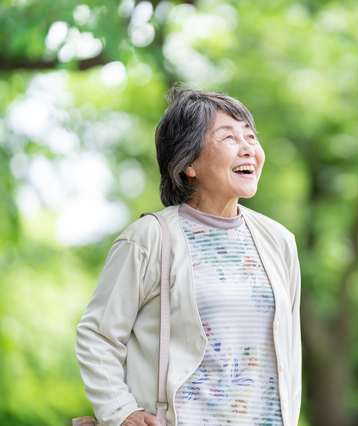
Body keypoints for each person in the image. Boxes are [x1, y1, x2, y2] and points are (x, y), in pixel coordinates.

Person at [75, 85, 302, 426]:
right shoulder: (149, 239)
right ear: (189, 163)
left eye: (251, 137)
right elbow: (98, 335)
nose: (247, 149)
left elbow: (289, 352)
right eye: (229, 138)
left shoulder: (279, 241)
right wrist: (122, 412)